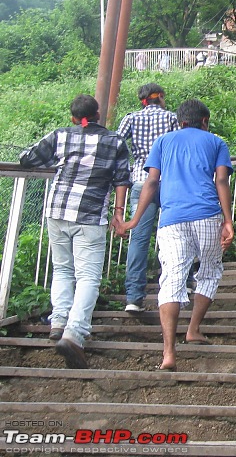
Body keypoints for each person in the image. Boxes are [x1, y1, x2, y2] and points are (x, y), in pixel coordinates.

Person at [117, 99, 234, 372]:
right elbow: (221, 181)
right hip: (207, 215)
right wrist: (228, 221)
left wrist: (133, 219)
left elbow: (151, 181)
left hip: (171, 220)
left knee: (171, 278)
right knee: (209, 271)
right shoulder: (216, 143)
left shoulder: (163, 143)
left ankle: (169, 353)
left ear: (180, 121)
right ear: (204, 121)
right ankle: (193, 330)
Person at [19, 94, 131, 369]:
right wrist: (118, 215)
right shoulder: (115, 141)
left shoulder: (60, 135)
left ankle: (58, 322)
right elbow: (121, 180)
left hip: (57, 210)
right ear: (98, 114)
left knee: (62, 269)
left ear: (73, 117)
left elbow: (26, 159)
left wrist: (56, 163)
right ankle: (74, 333)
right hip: (90, 215)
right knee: (88, 277)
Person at [116, 83, 179, 312]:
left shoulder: (131, 118)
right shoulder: (172, 118)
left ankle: (133, 297)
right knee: (177, 234)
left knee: (139, 240)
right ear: (160, 97)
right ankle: (184, 284)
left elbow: (115, 143)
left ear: (142, 100)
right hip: (170, 181)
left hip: (141, 181)